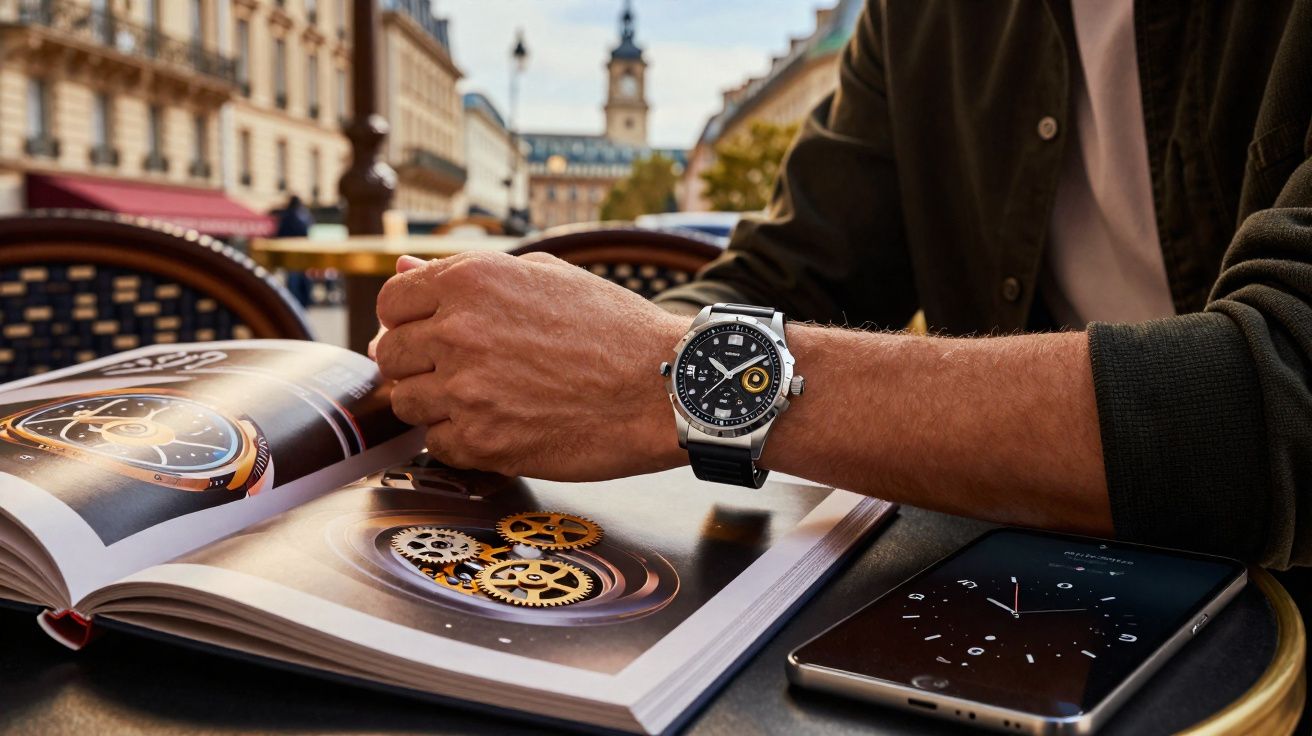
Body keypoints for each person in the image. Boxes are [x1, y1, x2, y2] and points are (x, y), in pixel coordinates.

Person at [372, 1, 1312, 569]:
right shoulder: (916, 20)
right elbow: (794, 269)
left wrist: (664, 374)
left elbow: (1284, 395)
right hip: (1024, 589)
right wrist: (557, 356)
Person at [275, 195, 314, 307]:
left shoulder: (286, 217)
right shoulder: (304, 217)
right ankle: (301, 305)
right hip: (302, 256)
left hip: (291, 257)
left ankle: (295, 306)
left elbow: (280, 236)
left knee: (294, 285)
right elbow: (307, 235)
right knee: (301, 283)